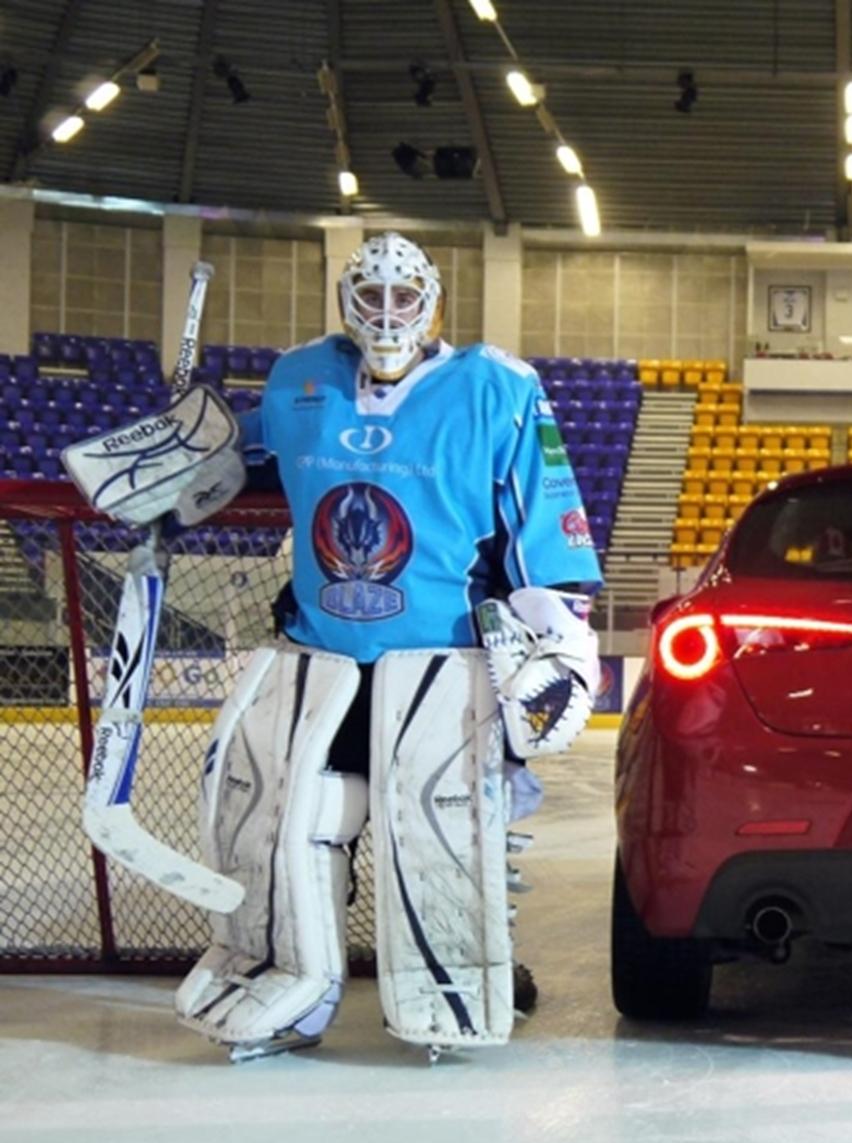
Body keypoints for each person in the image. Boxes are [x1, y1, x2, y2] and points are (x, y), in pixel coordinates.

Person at [79, 232, 603, 1060]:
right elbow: (237, 463)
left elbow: (546, 515)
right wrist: (175, 459)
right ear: (347, 302)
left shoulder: (498, 389)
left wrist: (562, 636)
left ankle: (471, 969)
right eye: (371, 296)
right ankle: (290, 979)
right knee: (286, 823)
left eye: (404, 297)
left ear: (432, 302)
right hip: (319, 661)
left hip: (445, 668)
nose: (388, 313)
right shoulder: (302, 380)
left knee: (444, 828)